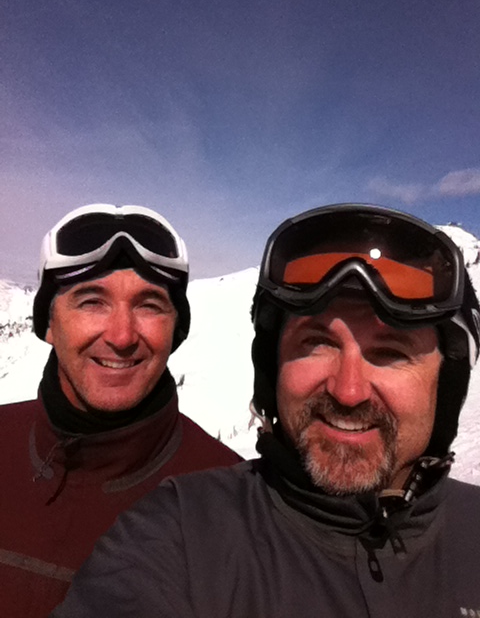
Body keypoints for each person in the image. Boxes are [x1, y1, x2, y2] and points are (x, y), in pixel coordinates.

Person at [52, 204, 480, 617]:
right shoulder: (184, 535)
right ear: (271, 369)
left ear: (447, 382)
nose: (348, 391)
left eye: (389, 353)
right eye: (316, 344)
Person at [0, 203, 241, 617]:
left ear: (175, 330)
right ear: (48, 325)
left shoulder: (231, 503)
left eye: (149, 305)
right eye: (91, 301)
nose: (122, 336)